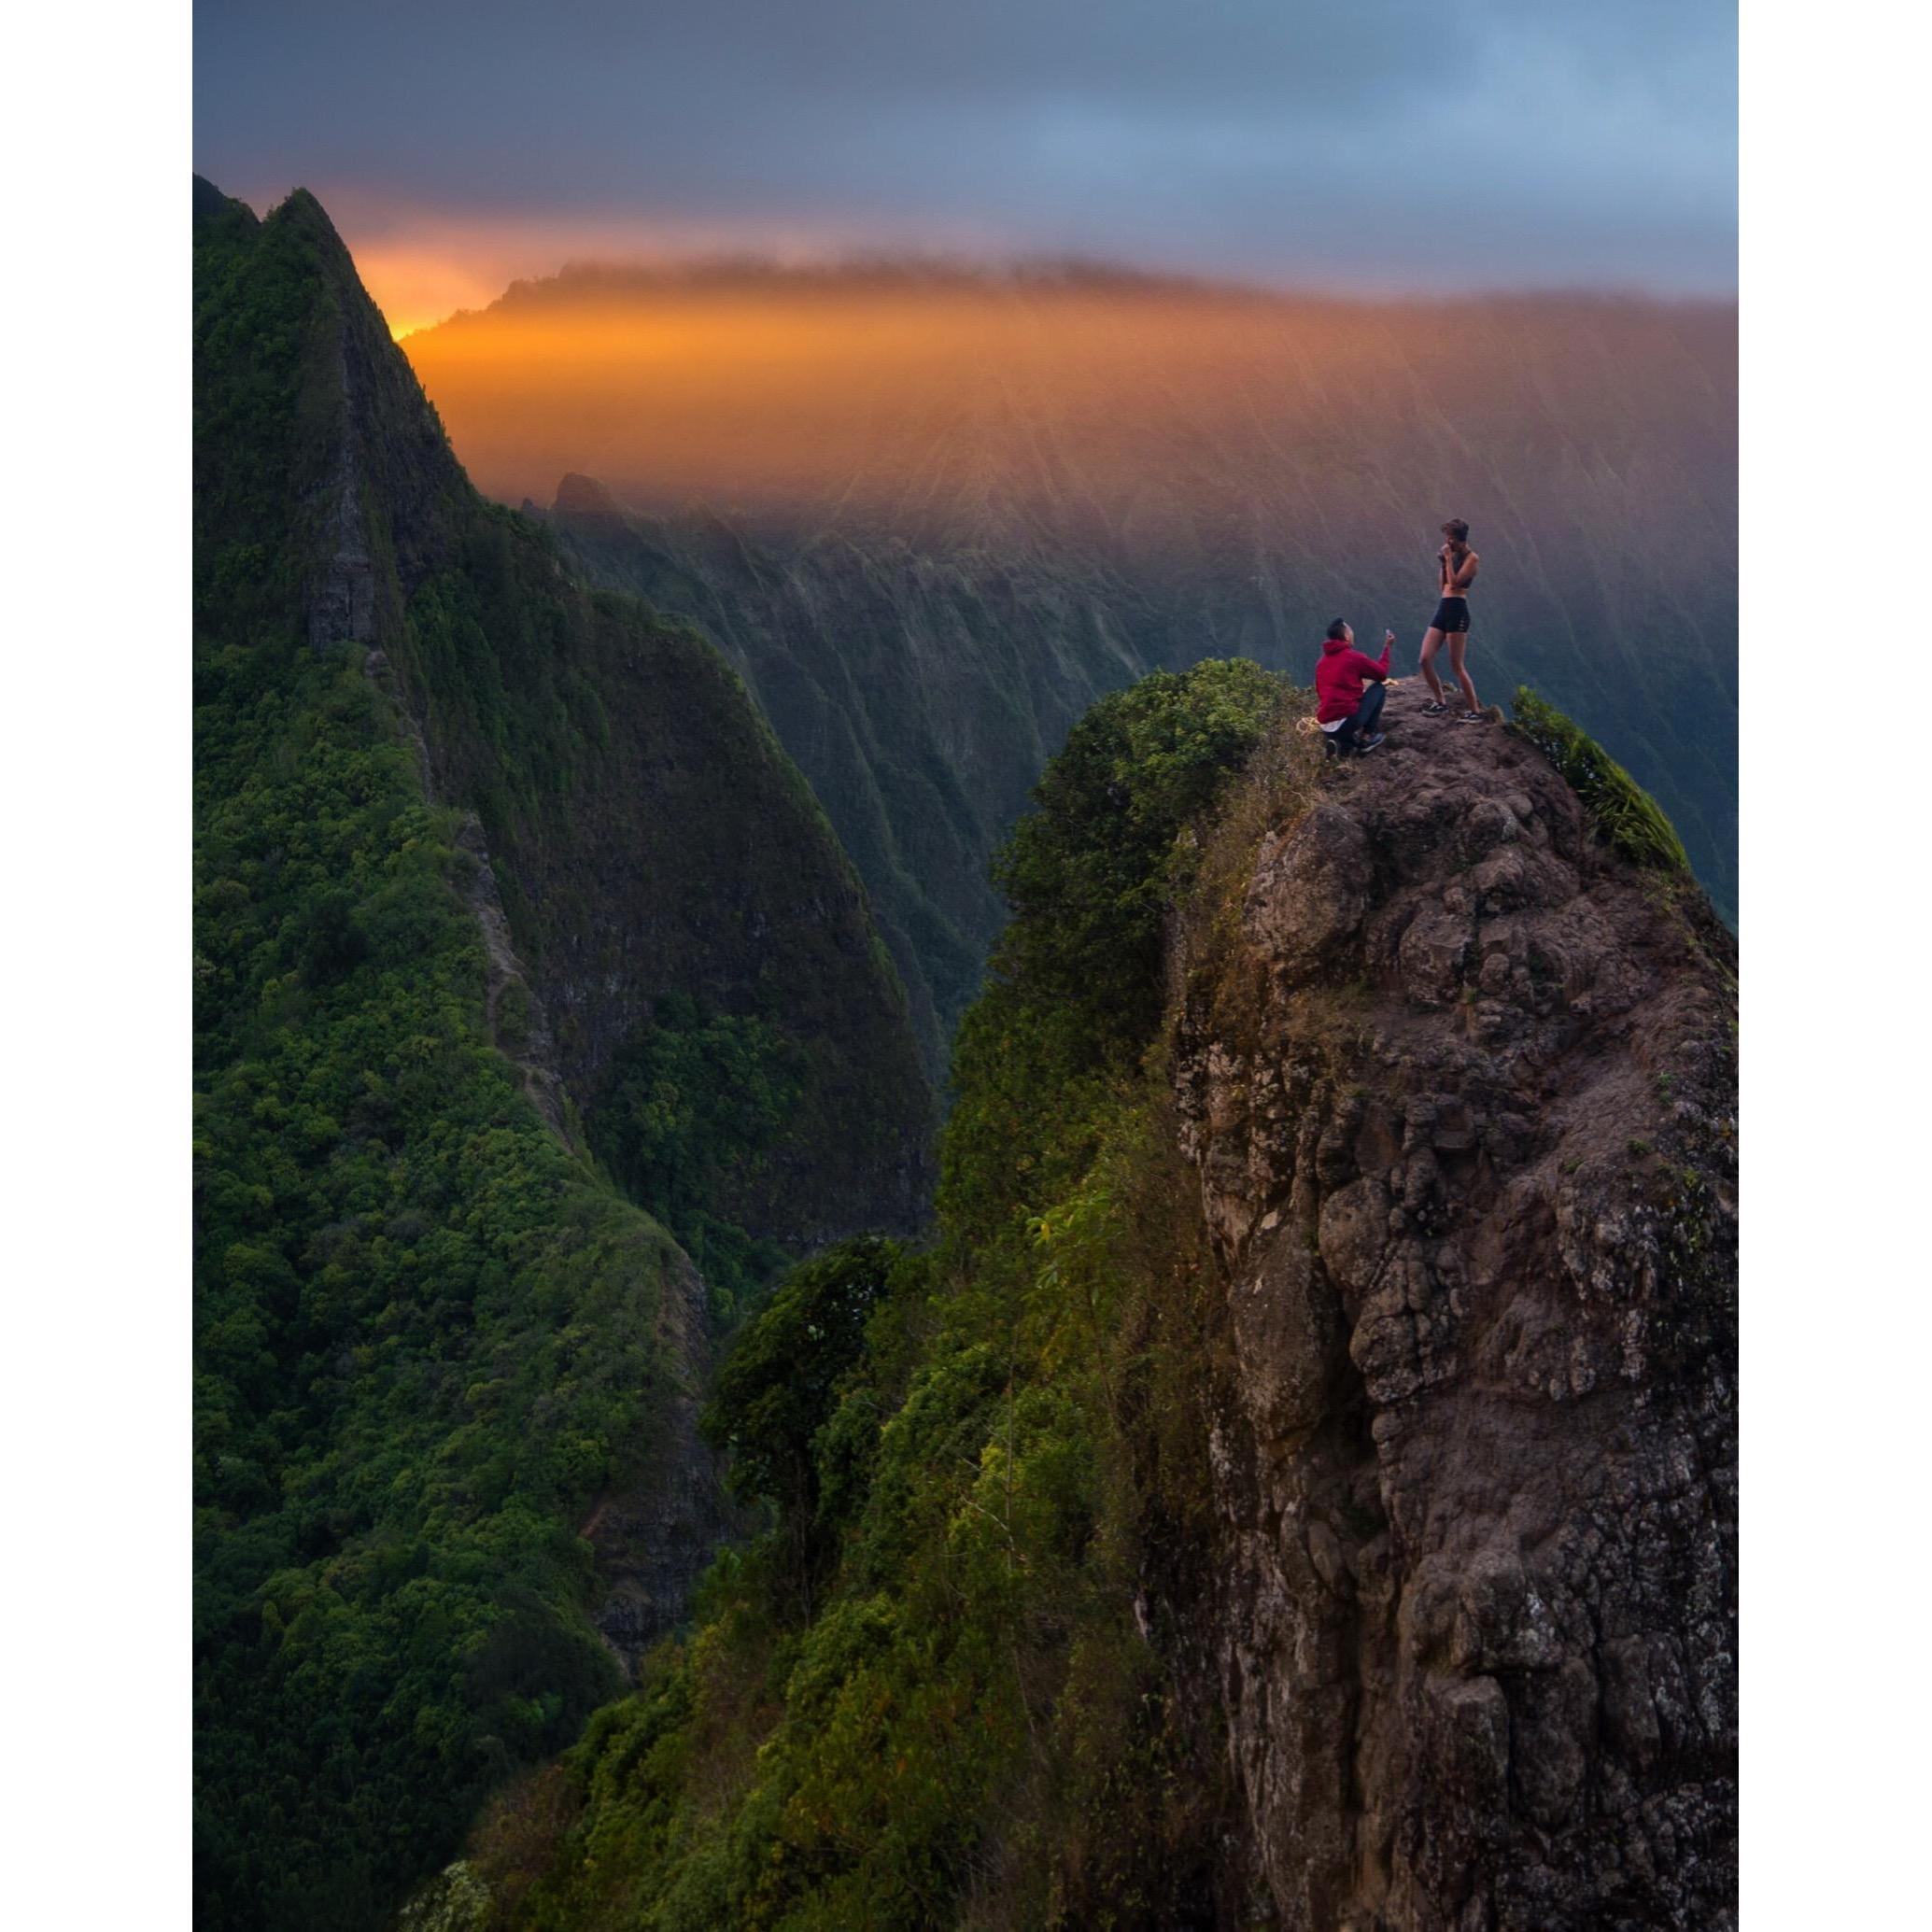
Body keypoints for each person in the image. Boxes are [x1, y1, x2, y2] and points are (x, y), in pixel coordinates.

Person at [1418, 517, 1484, 722]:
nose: (1448, 542)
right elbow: (1443, 586)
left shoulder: (1472, 558)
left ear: (1461, 540)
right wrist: (1443, 563)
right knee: (1425, 658)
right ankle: (1440, 701)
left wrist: (1447, 560)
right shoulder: (1452, 556)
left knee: (1456, 664)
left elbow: (1456, 584)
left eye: (1451, 538)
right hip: (1443, 607)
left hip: (1457, 610)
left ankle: (1475, 711)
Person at [1316, 619, 1393, 754]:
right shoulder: (1353, 658)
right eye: (1350, 631)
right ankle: (1366, 738)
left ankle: (1341, 745)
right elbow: (1381, 674)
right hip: (1347, 720)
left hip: (1325, 725)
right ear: (1346, 636)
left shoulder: (1321, 663)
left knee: (1345, 734)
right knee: (1379, 688)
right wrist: (1387, 648)